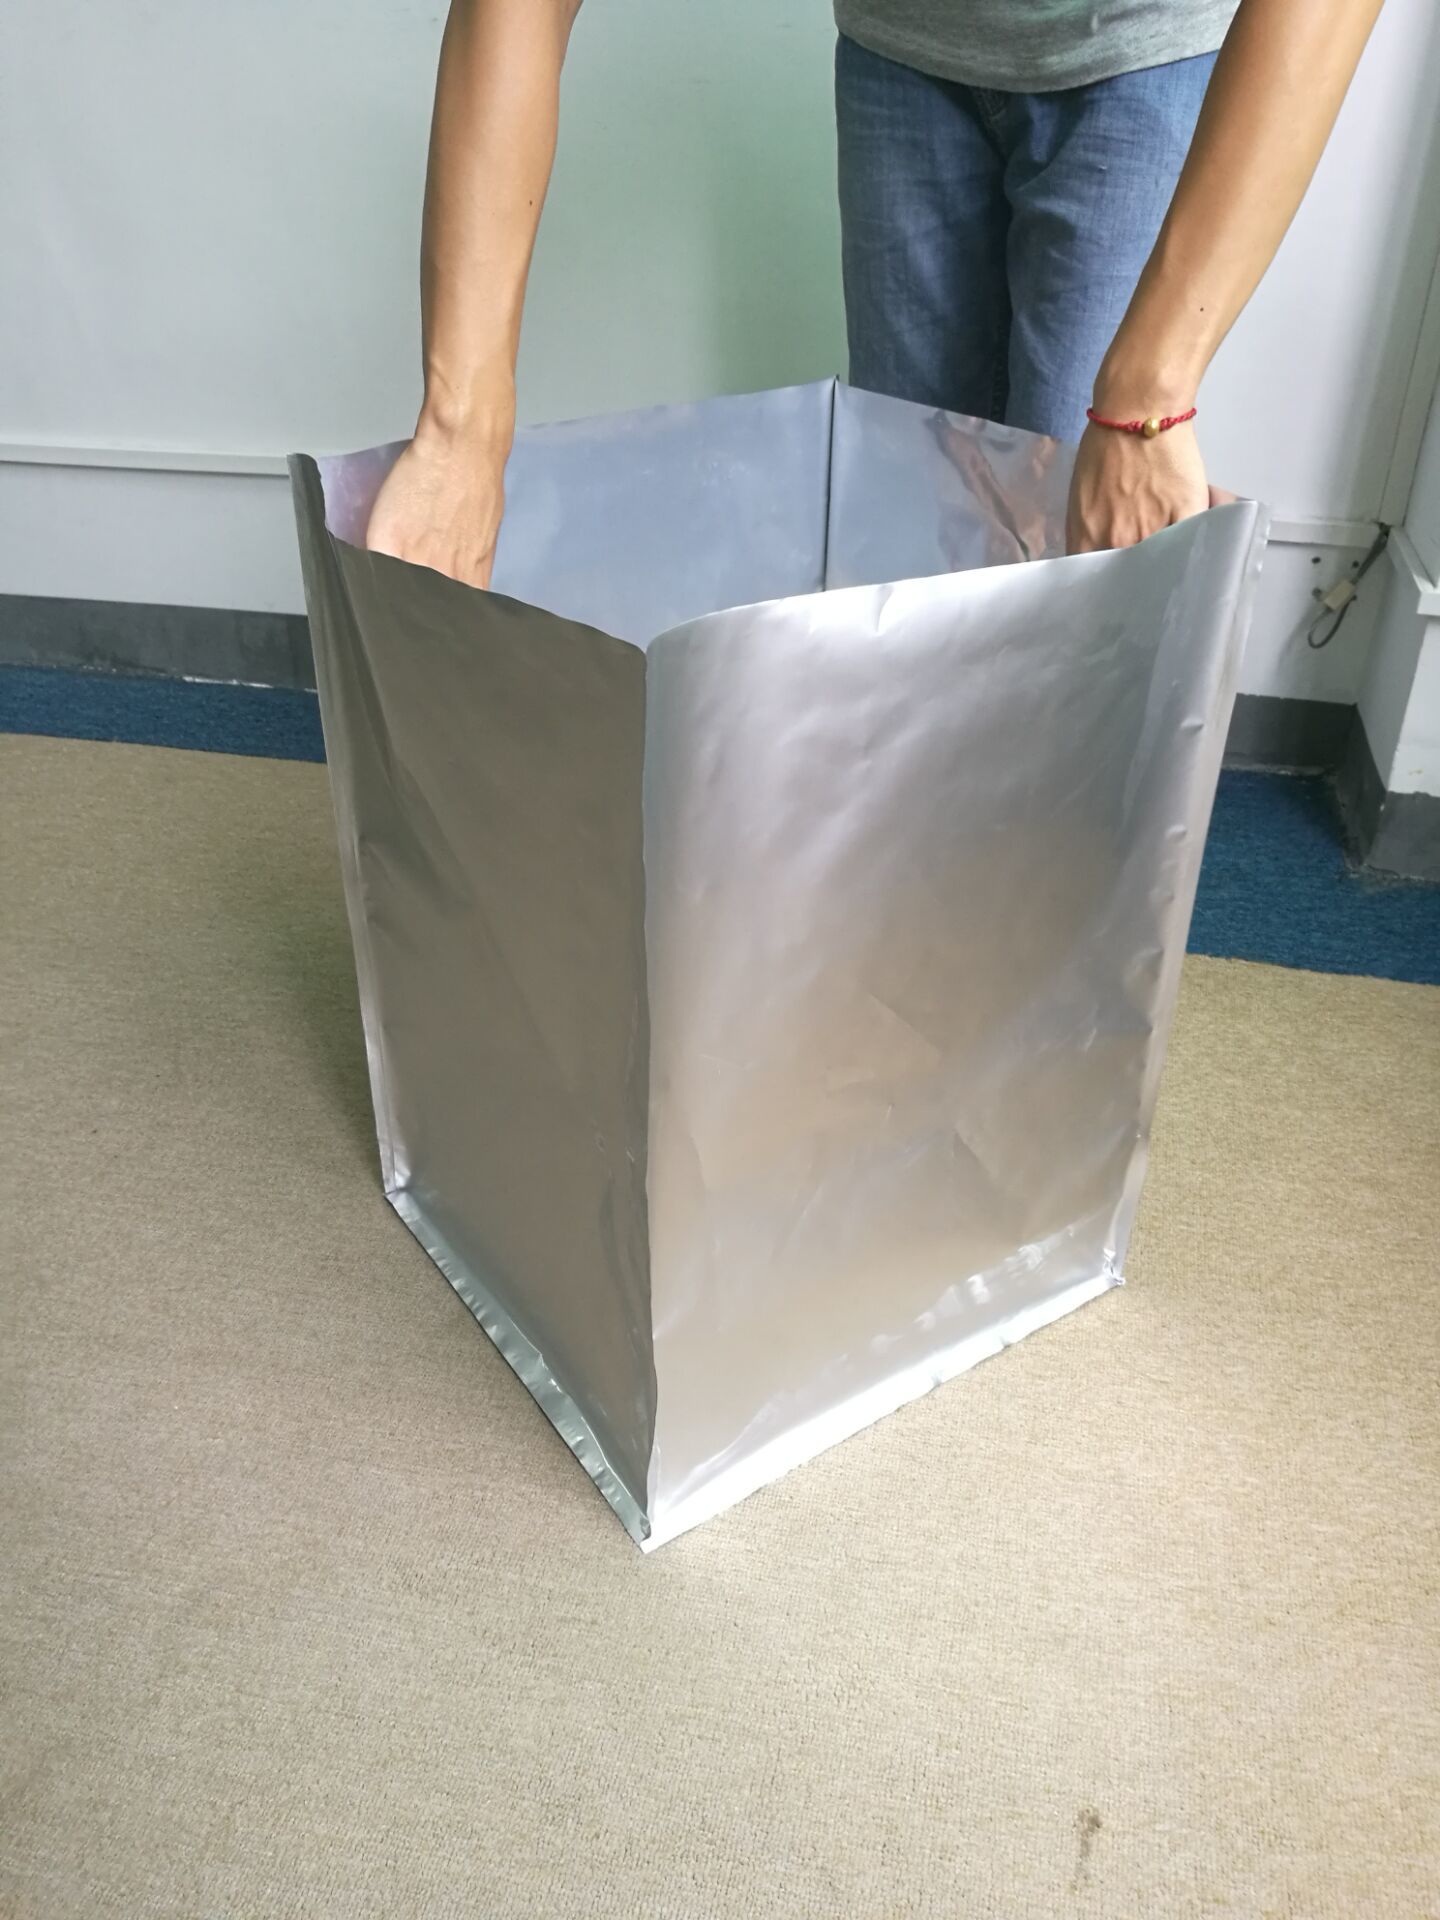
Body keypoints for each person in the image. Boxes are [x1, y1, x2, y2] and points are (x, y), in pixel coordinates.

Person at [366, 0, 1384, 584]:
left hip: (1142, 43)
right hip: (903, 44)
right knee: (914, 507)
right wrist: (462, 431)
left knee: (1085, 554)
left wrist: (1152, 392)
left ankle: (1059, 868)